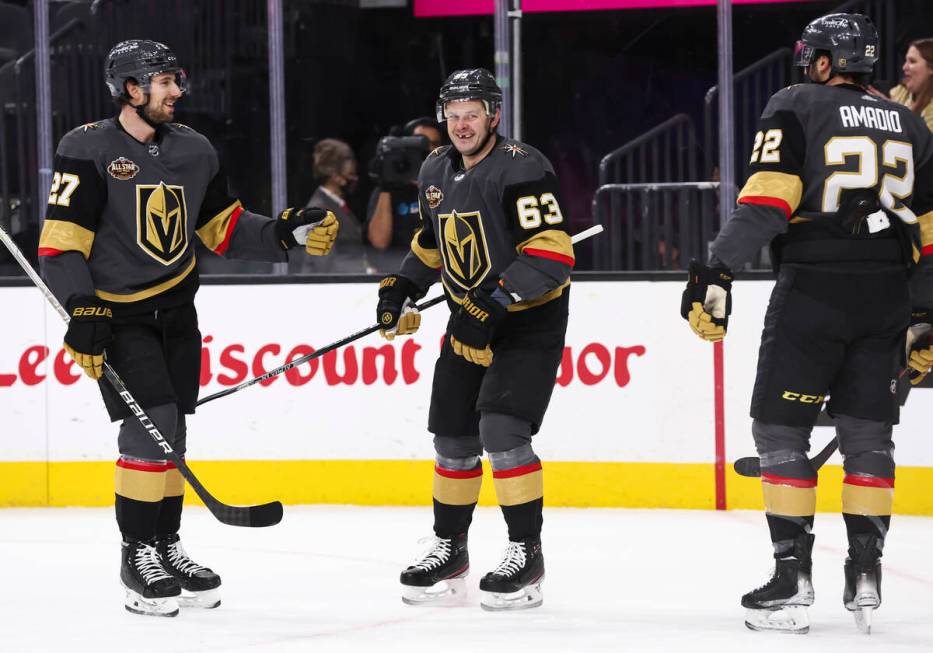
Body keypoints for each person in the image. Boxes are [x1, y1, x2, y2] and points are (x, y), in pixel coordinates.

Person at [37, 40, 338, 617]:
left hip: (177, 311)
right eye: (165, 82)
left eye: (178, 80)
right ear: (130, 88)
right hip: (117, 314)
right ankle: (136, 555)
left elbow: (220, 227)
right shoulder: (88, 147)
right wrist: (83, 308)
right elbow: (61, 244)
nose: (178, 91)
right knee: (151, 431)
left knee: (172, 434)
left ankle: (166, 545)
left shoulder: (194, 151)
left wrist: (284, 232)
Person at [681, 14, 933, 634]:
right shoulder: (911, 122)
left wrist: (716, 267)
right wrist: (926, 314)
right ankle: (866, 571)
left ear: (823, 62)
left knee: (779, 429)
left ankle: (792, 575)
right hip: (888, 298)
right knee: (869, 436)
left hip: (815, 293)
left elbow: (767, 201)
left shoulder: (796, 103)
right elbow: (928, 229)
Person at [375, 69, 574, 611]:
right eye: (454, 114)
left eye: (473, 113)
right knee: (453, 439)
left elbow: (552, 256)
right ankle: (451, 549)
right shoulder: (436, 167)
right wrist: (402, 286)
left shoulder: (522, 165)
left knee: (503, 430)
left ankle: (524, 554)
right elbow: (431, 242)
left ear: (494, 116)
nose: (462, 124)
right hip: (470, 319)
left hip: (527, 319)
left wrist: (491, 304)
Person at [365, 117, 443, 272]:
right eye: (419, 143)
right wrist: (385, 186)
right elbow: (379, 242)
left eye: (432, 144)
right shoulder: (389, 189)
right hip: (399, 275)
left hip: (440, 278)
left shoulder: (451, 183)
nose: (426, 151)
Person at [295, 138, 368, 273]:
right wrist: (365, 271)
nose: (355, 179)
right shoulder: (319, 212)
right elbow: (325, 264)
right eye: (350, 175)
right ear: (335, 176)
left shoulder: (337, 206)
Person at [889, 38, 933, 132]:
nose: (904, 67)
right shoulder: (901, 91)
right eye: (906, 61)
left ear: (931, 68)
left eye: (912, 61)